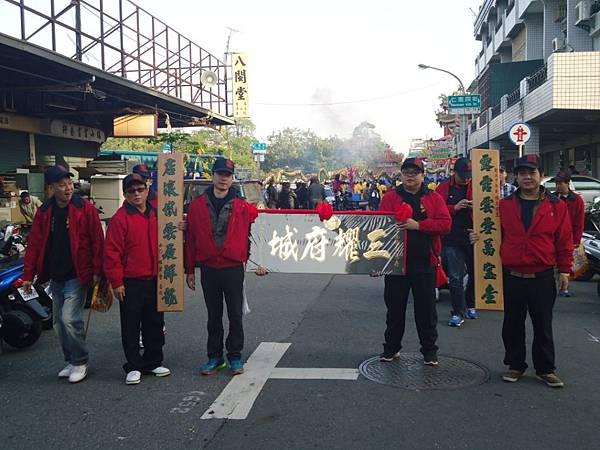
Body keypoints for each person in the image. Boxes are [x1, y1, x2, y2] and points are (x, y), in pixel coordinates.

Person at [470, 154, 573, 388]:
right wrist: (477, 236)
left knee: (543, 324)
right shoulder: (503, 206)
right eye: (522, 173)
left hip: (543, 275)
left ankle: (545, 369)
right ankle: (515, 365)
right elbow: (491, 235)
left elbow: (564, 241)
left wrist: (565, 271)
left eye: (532, 173)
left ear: (541, 176)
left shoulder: (557, 206)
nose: (527, 177)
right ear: (516, 177)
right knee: (512, 324)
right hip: (512, 275)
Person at [22, 165, 104, 383]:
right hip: (54, 274)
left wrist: (98, 270)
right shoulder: (45, 212)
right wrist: (28, 274)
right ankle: (71, 360)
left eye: (69, 184)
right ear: (51, 188)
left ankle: (80, 361)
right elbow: (35, 245)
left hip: (78, 273)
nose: (68, 189)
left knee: (70, 318)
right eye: (62, 185)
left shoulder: (84, 208)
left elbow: (98, 240)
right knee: (58, 322)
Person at [184, 158, 265, 376]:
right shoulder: (197, 205)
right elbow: (190, 239)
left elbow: (262, 233)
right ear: (213, 176)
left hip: (232, 268)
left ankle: (235, 356)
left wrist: (262, 262)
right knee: (213, 315)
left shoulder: (244, 207)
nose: (223, 178)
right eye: (220, 174)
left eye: (227, 175)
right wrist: (189, 270)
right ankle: (214, 357)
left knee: (235, 315)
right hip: (209, 268)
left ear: (232, 178)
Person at [377, 157, 451, 366]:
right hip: (395, 264)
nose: (410, 175)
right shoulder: (391, 197)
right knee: (395, 310)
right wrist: (375, 262)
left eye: (415, 172)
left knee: (426, 311)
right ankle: (391, 348)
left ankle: (429, 350)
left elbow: (445, 225)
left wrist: (418, 225)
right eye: (406, 171)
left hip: (424, 263)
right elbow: (378, 228)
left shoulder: (433, 197)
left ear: (423, 175)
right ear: (401, 175)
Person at [104, 173, 170, 385]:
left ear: (147, 189)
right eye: (131, 191)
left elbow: (170, 238)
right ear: (125, 194)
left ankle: (153, 361)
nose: (136, 194)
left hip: (155, 278)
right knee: (131, 325)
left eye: (140, 189)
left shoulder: (156, 213)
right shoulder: (120, 218)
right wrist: (117, 282)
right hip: (130, 281)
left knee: (154, 322)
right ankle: (133, 365)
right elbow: (111, 252)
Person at [436, 157, 476, 326]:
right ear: (454, 173)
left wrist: (477, 207)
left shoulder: (478, 185)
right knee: (455, 276)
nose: (466, 178)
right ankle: (457, 311)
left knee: (475, 273)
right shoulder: (443, 188)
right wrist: (454, 208)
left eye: (469, 175)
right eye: (463, 175)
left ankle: (471, 304)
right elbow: (435, 211)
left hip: (474, 236)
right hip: (452, 238)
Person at [552, 170, 585, 246]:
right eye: (556, 183)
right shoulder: (551, 198)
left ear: (567, 183)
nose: (557, 186)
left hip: (569, 239)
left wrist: (576, 241)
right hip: (553, 238)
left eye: (560, 183)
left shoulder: (577, 200)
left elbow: (579, 223)